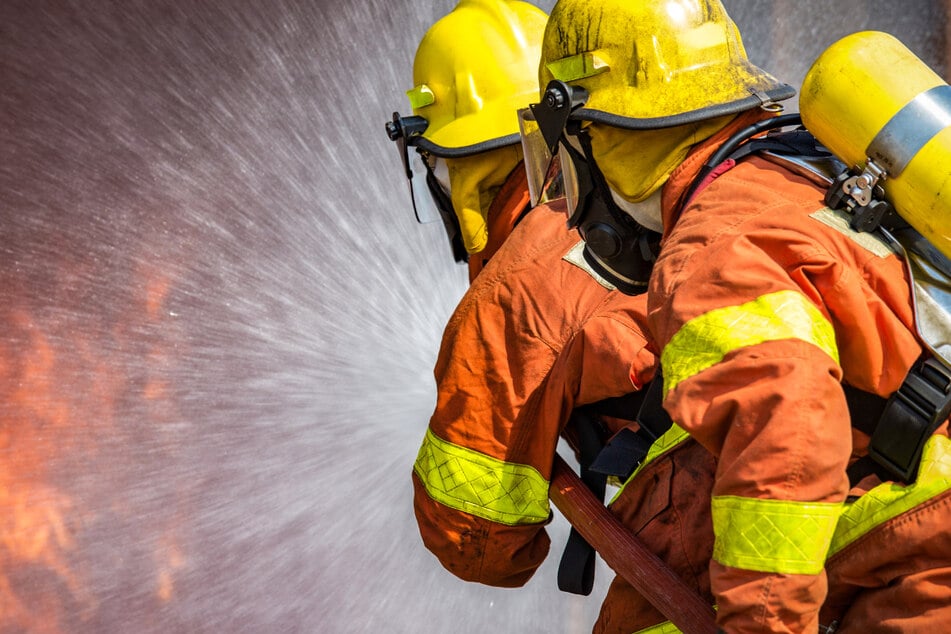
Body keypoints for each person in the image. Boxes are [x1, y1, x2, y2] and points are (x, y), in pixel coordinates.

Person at [527, 0, 951, 632]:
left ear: (594, 133)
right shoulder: (794, 165)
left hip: (927, 551)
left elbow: (788, 422)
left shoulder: (708, 248)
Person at [388, 0, 660, 596]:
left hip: (727, 525)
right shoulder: (652, 193)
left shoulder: (518, 290)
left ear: (455, 168)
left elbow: (480, 543)